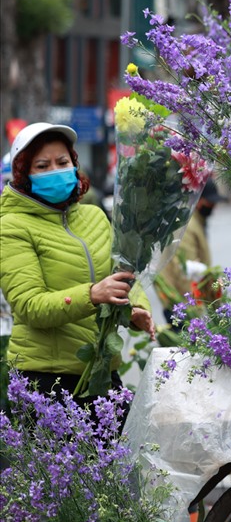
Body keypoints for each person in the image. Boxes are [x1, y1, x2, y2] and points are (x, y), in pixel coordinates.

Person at [0, 122, 155, 405]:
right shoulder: (11, 227)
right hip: (46, 380)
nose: (55, 171)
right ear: (24, 175)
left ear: (74, 164)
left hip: (102, 371)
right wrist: (92, 294)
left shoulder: (94, 216)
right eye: (42, 166)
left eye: (62, 162)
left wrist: (136, 307)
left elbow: (120, 273)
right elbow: (30, 306)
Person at [156, 181, 224, 326]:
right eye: (210, 202)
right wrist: (195, 307)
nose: (213, 206)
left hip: (182, 301)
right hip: (181, 302)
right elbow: (186, 271)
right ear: (199, 201)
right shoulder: (188, 225)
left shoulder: (196, 220)